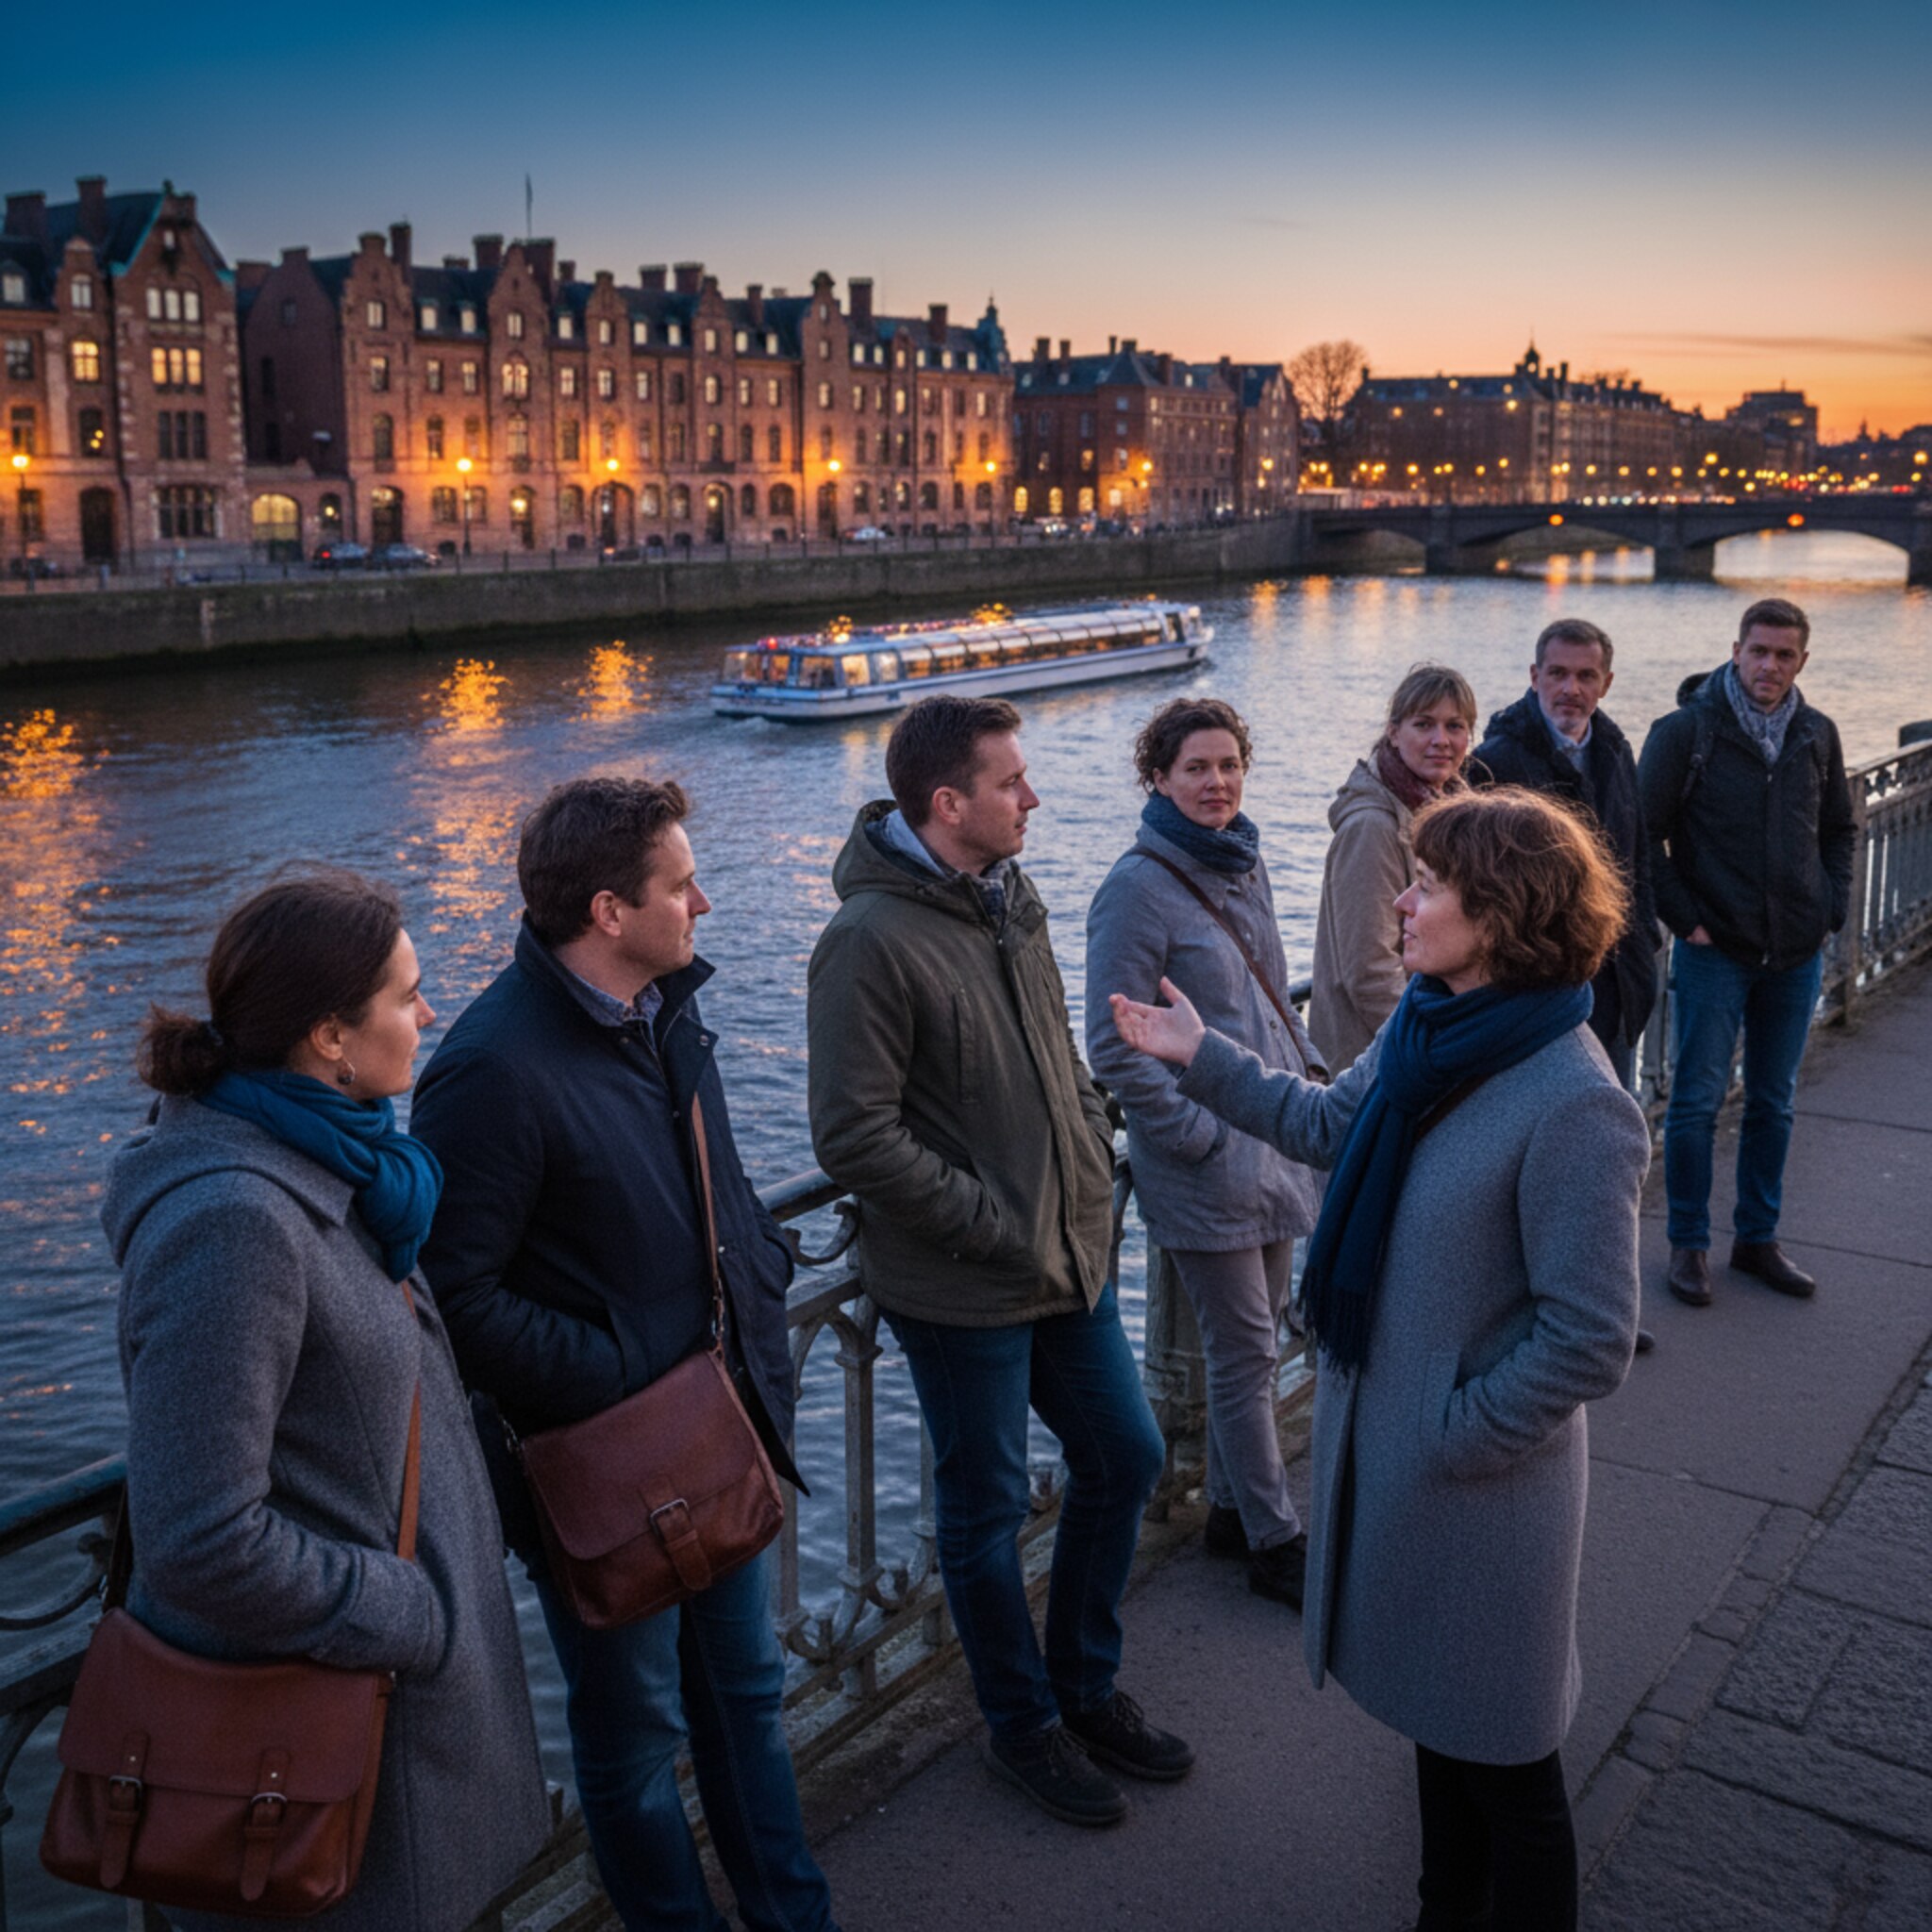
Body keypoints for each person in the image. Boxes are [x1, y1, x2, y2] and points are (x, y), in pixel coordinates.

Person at [1111, 788, 1648, 1932]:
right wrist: (1196, 1051)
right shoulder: (1426, 1025)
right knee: (1435, 1726)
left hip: (1485, 1490)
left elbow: (1589, 1335)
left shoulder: (1573, 1098)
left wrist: (1449, 1428)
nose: (1399, 900)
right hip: (1404, 1458)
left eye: (1428, 884)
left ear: (1499, 916)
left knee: (1508, 1766)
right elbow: (1320, 1125)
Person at [410, 778, 838, 1932]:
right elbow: (453, 1298)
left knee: (747, 1699)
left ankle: (795, 1916)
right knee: (635, 1738)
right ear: (608, 910)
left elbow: (718, 1207)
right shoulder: (489, 1068)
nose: (702, 897)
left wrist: (741, 1326)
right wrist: (626, 1365)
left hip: (713, 1419)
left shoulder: (663, 1007)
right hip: (603, 1460)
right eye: (678, 883)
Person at [101, 869, 550, 1932]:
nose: (430, 1013)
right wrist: (409, 1611)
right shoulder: (235, 1220)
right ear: (329, 1038)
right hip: (332, 1752)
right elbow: (198, 1534)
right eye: (405, 994)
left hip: (397, 1731)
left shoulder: (341, 1164)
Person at [807, 694, 1182, 1831]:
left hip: (1061, 1249)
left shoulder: (1005, 894)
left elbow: (1055, 1049)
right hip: (966, 1277)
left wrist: (1081, 1139)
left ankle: (1082, 1686)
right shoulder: (865, 942)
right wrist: (985, 1215)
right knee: (982, 1512)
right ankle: (1022, 1728)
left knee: (1124, 1453)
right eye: (1011, 782)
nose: (1033, 797)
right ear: (946, 802)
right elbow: (852, 1134)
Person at [1085, 695, 1325, 1606]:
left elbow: (1266, 1001)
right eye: (1197, 768)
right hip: (1205, 1156)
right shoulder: (1135, 887)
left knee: (1259, 1338)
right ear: (1157, 777)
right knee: (1245, 1350)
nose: (1217, 782)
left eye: (1229, 766)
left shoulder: (1244, 858)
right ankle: (1275, 1538)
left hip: (1266, 1136)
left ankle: (1230, 1510)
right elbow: (1111, 1041)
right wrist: (1191, 1133)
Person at [1637, 597, 1857, 1310]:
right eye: (1758, 652)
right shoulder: (1686, 732)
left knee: (1774, 1103)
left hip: (1795, 952)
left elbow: (1839, 830)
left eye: (1784, 655)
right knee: (1697, 1104)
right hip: (1715, 952)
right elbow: (1644, 840)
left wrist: (1831, 909)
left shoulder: (1816, 735)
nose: (1769, 666)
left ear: (1802, 661)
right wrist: (1688, 920)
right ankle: (1690, 1246)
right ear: (1736, 651)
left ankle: (1757, 1239)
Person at [1472, 617, 1659, 1089]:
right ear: (1535, 677)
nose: (1570, 688)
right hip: (1536, 995)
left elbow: (1636, 861)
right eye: (1557, 674)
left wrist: (1643, 945)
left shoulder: (1615, 752)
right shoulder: (1496, 763)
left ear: (1606, 684)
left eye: (1585, 676)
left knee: (1611, 1133)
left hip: (1612, 987)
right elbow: (1480, 889)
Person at [1309, 663, 1477, 1072]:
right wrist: (1430, 1049)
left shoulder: (1451, 813)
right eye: (1424, 724)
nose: (1441, 740)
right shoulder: (1373, 826)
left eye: (1455, 726)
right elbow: (1369, 969)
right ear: (1393, 731)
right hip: (1377, 1062)